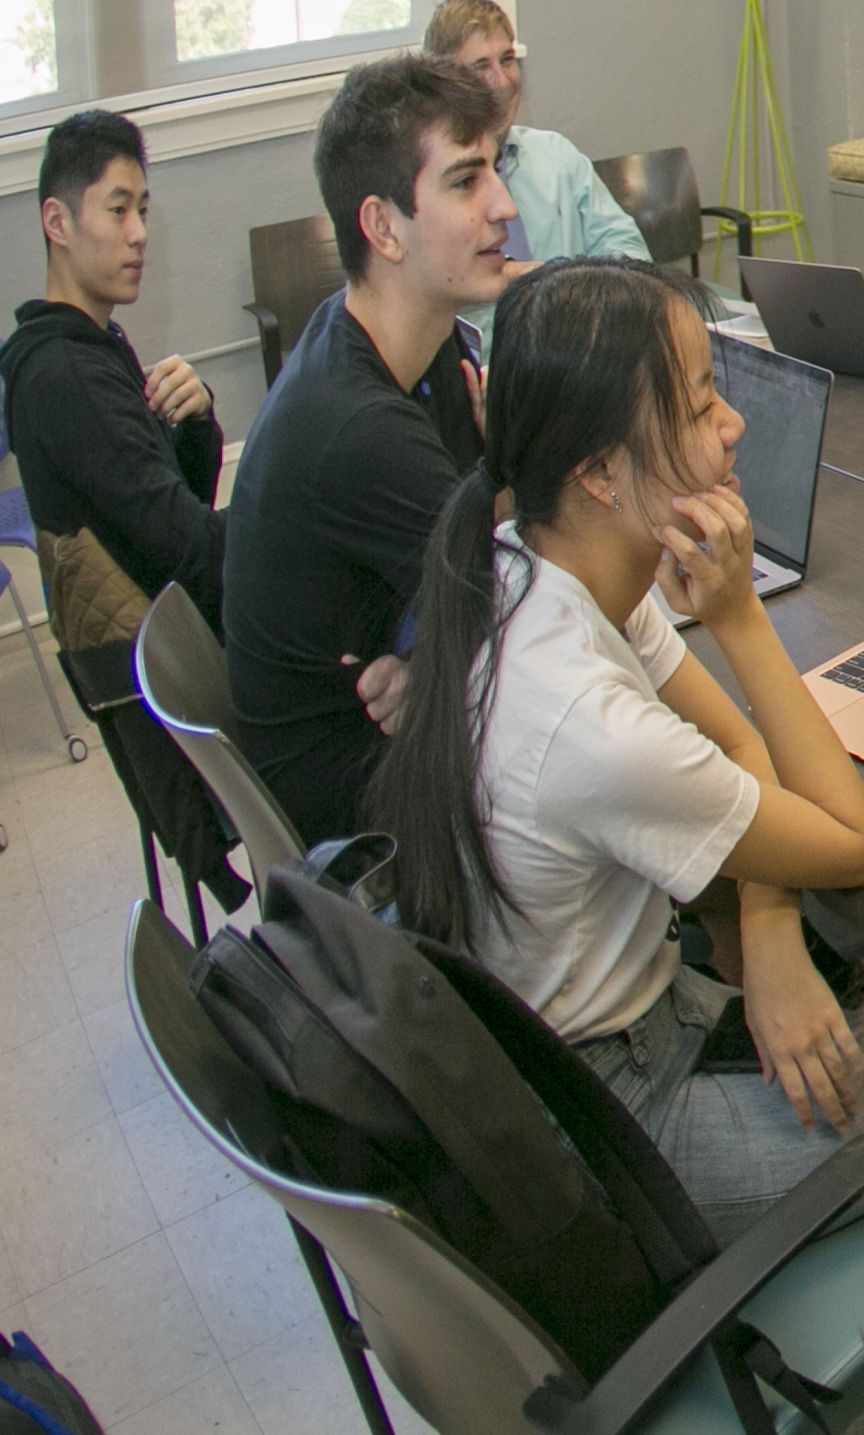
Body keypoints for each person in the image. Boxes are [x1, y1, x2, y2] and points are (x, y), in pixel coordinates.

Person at [365, 258, 864, 1236]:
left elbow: (734, 740)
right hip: (614, 1118)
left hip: (581, 1040)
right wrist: (737, 620)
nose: (731, 426)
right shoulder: (587, 723)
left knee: (853, 995)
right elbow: (855, 840)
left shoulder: (533, 560)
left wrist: (769, 928)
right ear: (599, 472)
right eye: (698, 408)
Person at [226, 55, 513, 844]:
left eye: (494, 169)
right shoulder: (357, 426)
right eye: (465, 181)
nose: (503, 205)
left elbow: (478, 544)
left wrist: (426, 656)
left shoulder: (415, 344)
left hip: (391, 722)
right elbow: (534, 604)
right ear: (383, 227)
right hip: (358, 818)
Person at [3, 110, 225, 646]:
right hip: (161, 669)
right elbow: (192, 549)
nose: (140, 233)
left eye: (143, 211)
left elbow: (178, 506)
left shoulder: (97, 347)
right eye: (119, 210)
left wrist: (196, 424)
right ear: (58, 223)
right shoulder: (66, 375)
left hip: (172, 634)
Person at [424, 0, 648, 350]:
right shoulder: (429, 186)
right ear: (443, 82)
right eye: (480, 66)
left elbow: (627, 250)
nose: (501, 80)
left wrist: (584, 310)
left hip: (580, 353)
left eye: (507, 59)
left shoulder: (556, 155)